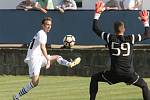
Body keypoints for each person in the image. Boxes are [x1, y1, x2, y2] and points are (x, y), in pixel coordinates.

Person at [90, 1, 150, 100]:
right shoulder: (131, 39)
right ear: (124, 29)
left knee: (94, 78)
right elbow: (148, 34)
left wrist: (97, 14)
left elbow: (95, 28)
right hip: (129, 74)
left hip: (114, 73)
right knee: (144, 86)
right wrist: (145, 22)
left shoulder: (110, 37)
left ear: (114, 30)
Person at [13, 16, 81, 100]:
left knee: (57, 57)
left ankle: (69, 64)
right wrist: (48, 60)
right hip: (34, 59)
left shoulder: (42, 33)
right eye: (47, 25)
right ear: (43, 25)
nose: (49, 26)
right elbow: (42, 47)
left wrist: (48, 59)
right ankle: (17, 96)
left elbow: (41, 48)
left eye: (50, 25)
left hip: (38, 57)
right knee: (35, 82)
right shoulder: (42, 33)